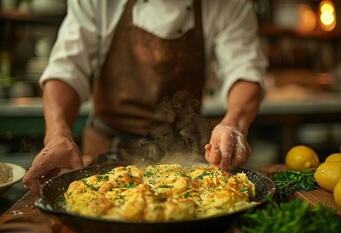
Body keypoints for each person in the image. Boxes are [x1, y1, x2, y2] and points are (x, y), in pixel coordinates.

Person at [23, 0, 268, 195]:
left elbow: (244, 70)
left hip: (184, 154)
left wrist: (233, 122)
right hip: (105, 148)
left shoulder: (228, 4)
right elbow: (67, 68)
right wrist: (57, 135)